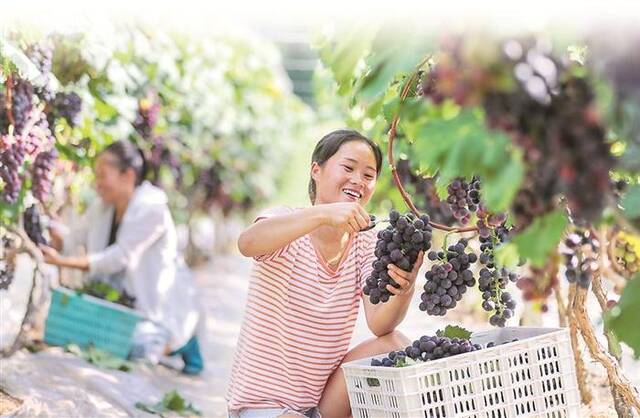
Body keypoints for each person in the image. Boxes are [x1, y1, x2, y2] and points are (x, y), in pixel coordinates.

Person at [226, 129, 425, 417]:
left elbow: (380, 325)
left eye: (369, 175)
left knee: (396, 344)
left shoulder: (365, 243)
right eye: (348, 168)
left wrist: (405, 288)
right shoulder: (287, 222)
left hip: (317, 406)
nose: (358, 180)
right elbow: (247, 243)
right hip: (263, 405)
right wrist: (323, 214)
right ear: (316, 170)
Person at [40, 140, 203, 374]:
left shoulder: (152, 208)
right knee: (76, 334)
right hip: (116, 304)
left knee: (137, 349)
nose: (97, 184)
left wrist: (60, 261)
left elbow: (119, 257)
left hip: (154, 308)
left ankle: (183, 341)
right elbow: (73, 239)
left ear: (127, 175)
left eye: (102, 176)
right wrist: (51, 232)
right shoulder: (102, 206)